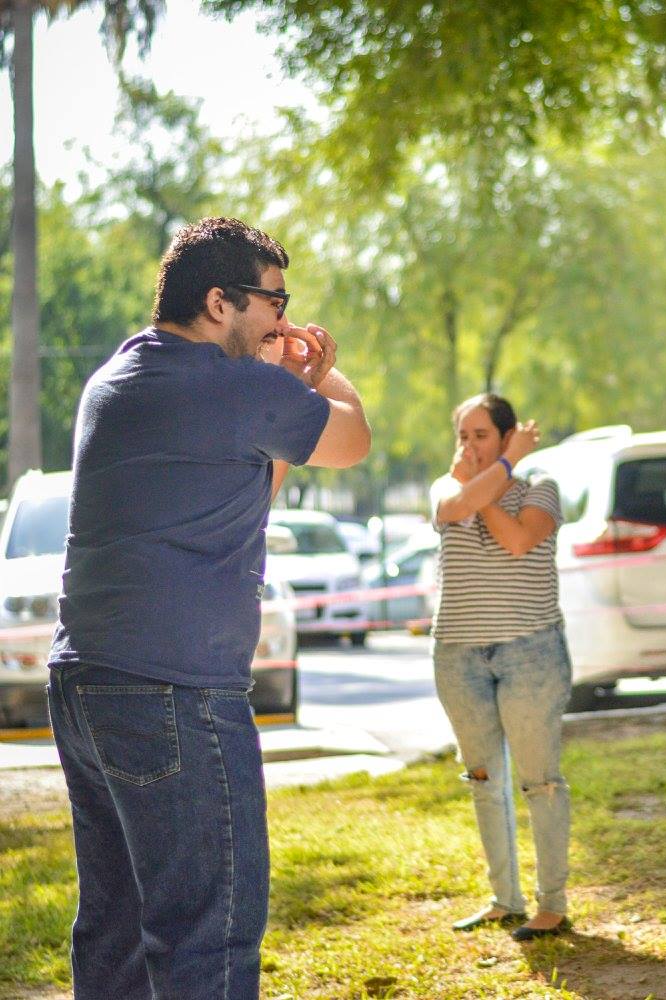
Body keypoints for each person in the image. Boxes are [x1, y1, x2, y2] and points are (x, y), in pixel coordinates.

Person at [45, 217, 371, 999]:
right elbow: (354, 440)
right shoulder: (236, 387)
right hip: (176, 693)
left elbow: (245, 493)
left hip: (86, 685)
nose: (286, 323)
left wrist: (275, 385)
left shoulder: (118, 377)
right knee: (208, 936)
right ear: (221, 303)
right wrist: (323, 375)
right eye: (276, 302)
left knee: (116, 930)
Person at [429, 392, 575, 941]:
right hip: (458, 657)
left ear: (508, 436)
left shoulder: (540, 488)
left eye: (481, 435)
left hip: (530, 653)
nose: (468, 446)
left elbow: (516, 540)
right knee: (484, 780)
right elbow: (454, 508)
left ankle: (551, 904)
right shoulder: (444, 488)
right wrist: (486, 476)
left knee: (541, 782)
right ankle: (503, 899)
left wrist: (499, 474)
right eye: (462, 436)